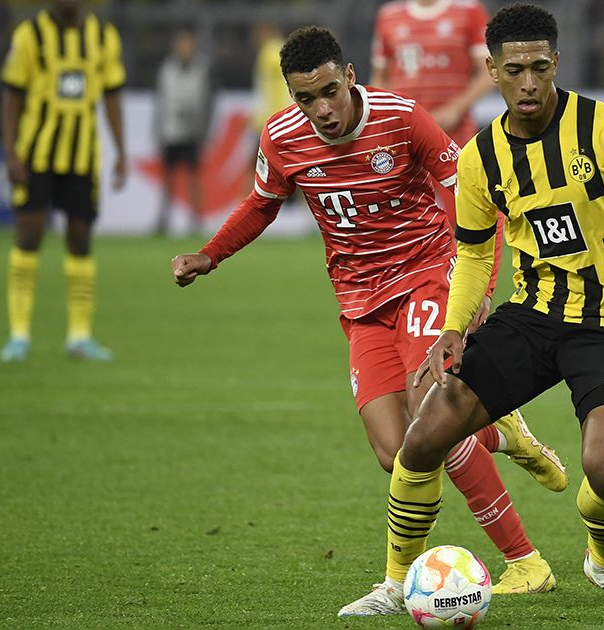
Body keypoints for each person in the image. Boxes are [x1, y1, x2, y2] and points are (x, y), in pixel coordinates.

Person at [169, 26, 566, 609]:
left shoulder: (403, 119)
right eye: (306, 99)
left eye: (330, 91)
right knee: (397, 451)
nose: (322, 110)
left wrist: (474, 283)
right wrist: (210, 255)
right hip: (360, 304)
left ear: (350, 75)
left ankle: (521, 562)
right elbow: (261, 203)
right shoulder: (282, 138)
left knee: (432, 419)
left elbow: (470, 196)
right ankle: (500, 429)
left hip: (427, 276)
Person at [349, 2, 604, 621]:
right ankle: (396, 580)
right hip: (534, 313)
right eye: (514, 70)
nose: (529, 83)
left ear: (556, 63)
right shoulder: (479, 159)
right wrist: (454, 330)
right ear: (491, 70)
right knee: (422, 438)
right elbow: (473, 253)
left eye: (540, 67)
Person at [0, 0, 127, 362]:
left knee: (80, 238)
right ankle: (19, 335)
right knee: (28, 235)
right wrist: (10, 153)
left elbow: (112, 95)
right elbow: (11, 95)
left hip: (82, 158)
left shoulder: (103, 37)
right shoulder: (30, 36)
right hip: (35, 156)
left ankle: (80, 336)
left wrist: (121, 151)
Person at [371, 0, 495, 148]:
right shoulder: (389, 15)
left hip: (454, 131)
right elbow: (380, 77)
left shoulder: (469, 11)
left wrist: (456, 108)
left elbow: (488, 71)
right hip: (404, 132)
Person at [153, 27, 212, 236]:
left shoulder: (201, 69)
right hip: (171, 131)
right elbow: (161, 102)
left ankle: (195, 221)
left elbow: (207, 102)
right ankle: (163, 220)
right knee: (168, 179)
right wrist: (157, 130)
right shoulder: (167, 70)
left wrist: (204, 131)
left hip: (192, 133)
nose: (185, 49)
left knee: (193, 180)